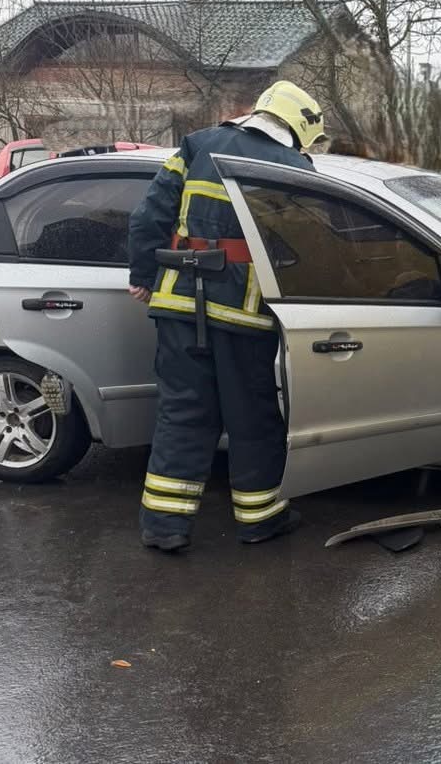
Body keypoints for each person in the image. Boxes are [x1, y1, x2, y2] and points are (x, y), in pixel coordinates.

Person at [127, 81, 327, 551]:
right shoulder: (295, 167)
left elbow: (147, 218)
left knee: (181, 413)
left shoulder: (198, 144)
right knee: (252, 418)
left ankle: (164, 527)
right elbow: (308, 249)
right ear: (300, 128)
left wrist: (143, 274)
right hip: (245, 314)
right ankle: (260, 520)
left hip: (179, 304)